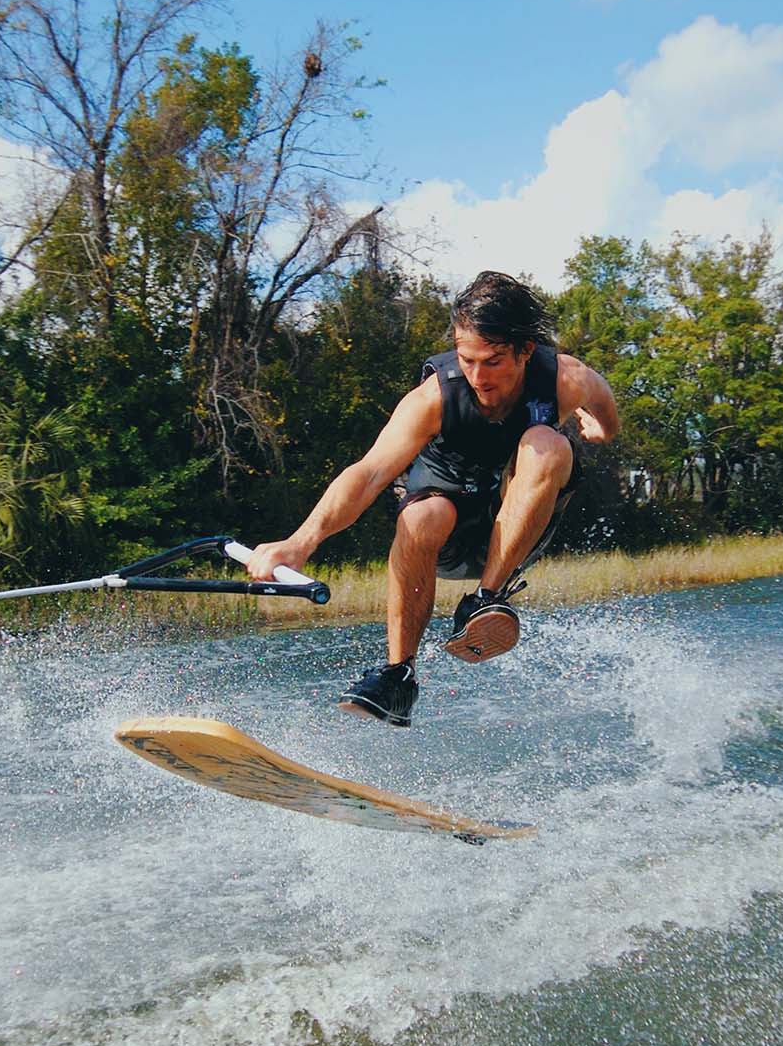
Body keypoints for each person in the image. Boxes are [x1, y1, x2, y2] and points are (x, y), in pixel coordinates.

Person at [245, 270, 620, 727]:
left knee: (549, 443)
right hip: (444, 532)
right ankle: (397, 677)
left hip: (516, 531)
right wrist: (300, 543)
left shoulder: (565, 378)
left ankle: (484, 601)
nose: (479, 377)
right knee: (425, 514)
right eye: (467, 360)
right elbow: (368, 474)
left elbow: (604, 403)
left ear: (526, 351)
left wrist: (602, 428)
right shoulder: (432, 398)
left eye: (494, 361)